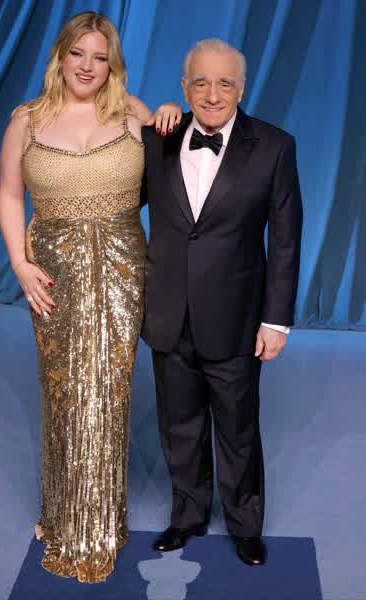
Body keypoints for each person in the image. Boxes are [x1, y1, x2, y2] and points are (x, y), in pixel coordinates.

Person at [0, 11, 181, 583]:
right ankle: (60, 514)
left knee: (107, 392)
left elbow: (173, 173)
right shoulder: (26, 120)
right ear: (61, 55)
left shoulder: (132, 112)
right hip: (52, 273)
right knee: (64, 392)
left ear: (112, 65)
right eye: (78, 53)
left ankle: (99, 525)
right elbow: (9, 195)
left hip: (123, 269)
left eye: (99, 57)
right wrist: (20, 264)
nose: (87, 66)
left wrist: (168, 115)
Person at [141, 39, 303, 566]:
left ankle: (245, 525)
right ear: (184, 87)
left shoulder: (275, 146)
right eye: (201, 82)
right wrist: (151, 113)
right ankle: (187, 516)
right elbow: (114, 189)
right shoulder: (156, 139)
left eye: (225, 83)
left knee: (238, 428)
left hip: (236, 317)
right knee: (179, 426)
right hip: (168, 312)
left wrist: (276, 320)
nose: (212, 94)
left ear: (242, 88)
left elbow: (285, 240)